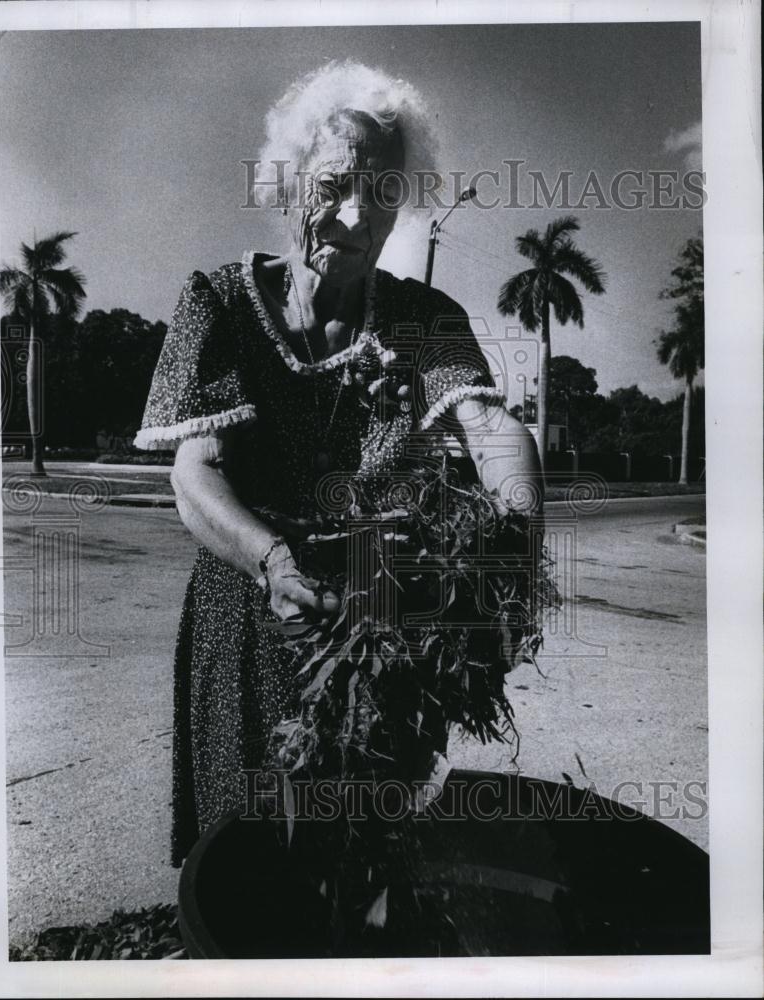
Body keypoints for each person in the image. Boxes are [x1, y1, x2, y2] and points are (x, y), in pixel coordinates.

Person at [134, 60, 542, 867]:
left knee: (368, 850)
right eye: (334, 184)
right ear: (289, 182)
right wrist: (273, 561)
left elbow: (487, 423)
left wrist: (519, 533)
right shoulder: (219, 302)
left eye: (383, 196)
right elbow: (195, 470)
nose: (356, 216)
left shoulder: (425, 318)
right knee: (250, 847)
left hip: (382, 626)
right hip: (251, 607)